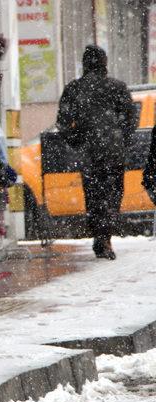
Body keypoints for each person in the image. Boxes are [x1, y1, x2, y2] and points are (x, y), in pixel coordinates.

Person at [57, 44, 137, 260]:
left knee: (93, 196)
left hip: (89, 154)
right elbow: (131, 120)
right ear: (105, 63)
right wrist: (121, 140)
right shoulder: (117, 88)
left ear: (84, 64)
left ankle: (99, 235)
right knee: (112, 195)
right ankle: (105, 237)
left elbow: (63, 123)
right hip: (114, 153)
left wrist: (78, 141)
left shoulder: (73, 89)